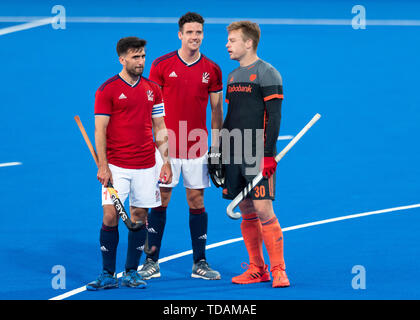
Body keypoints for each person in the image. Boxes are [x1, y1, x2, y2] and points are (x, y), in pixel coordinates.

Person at [139, 12, 223, 280]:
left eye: (198, 32)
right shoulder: (161, 65)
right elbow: (152, 109)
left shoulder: (212, 69)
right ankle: (151, 260)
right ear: (180, 34)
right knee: (160, 200)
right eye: (189, 32)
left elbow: (217, 112)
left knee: (196, 200)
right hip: (166, 147)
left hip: (197, 146)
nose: (194, 37)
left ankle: (200, 262)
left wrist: (217, 147)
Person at [86, 36, 172, 290]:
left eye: (143, 56)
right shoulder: (107, 89)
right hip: (117, 167)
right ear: (122, 59)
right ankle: (107, 273)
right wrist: (103, 165)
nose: (141, 61)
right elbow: (100, 131)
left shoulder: (153, 89)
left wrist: (165, 160)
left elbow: (160, 127)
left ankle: (132, 272)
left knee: (138, 216)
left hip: (147, 165)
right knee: (110, 214)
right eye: (136, 57)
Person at [220, 21, 290, 288]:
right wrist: (219, 152)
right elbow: (230, 117)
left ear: (248, 43)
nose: (227, 44)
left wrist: (269, 155)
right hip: (234, 152)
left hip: (257, 154)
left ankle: (279, 270)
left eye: (232, 40)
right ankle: (256, 268)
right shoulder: (233, 76)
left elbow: (274, 117)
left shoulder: (268, 73)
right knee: (247, 209)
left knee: (263, 209)